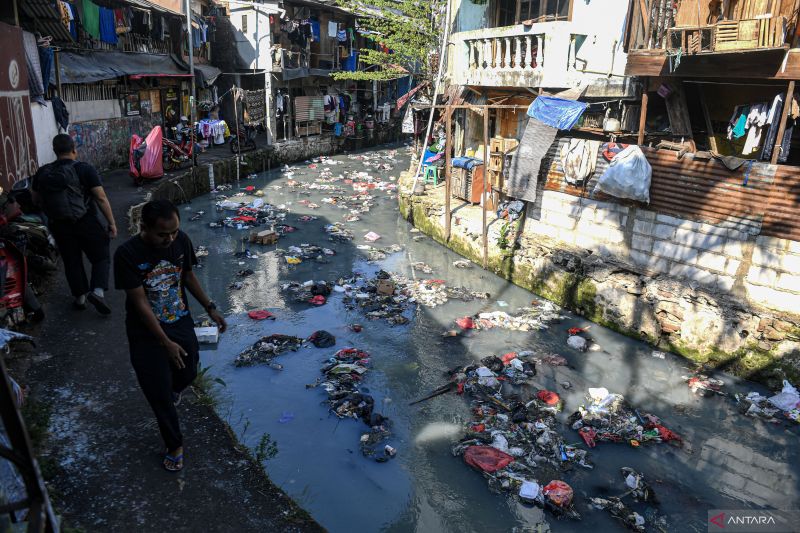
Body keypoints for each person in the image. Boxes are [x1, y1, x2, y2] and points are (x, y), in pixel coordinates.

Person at [114, 200, 226, 472]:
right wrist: (165, 342)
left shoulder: (181, 241)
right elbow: (139, 302)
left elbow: (187, 276)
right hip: (146, 331)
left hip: (180, 321)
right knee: (158, 394)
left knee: (189, 371)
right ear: (144, 228)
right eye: (163, 234)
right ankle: (174, 444)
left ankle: (176, 387)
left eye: (174, 232)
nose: (170, 238)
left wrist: (210, 308)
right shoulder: (126, 254)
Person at [31, 134, 116, 314]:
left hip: (59, 225)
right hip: (86, 221)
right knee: (100, 256)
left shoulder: (43, 172)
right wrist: (111, 223)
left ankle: (80, 297)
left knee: (72, 261)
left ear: (54, 151)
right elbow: (100, 198)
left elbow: (36, 199)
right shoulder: (84, 169)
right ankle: (98, 292)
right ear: (74, 149)